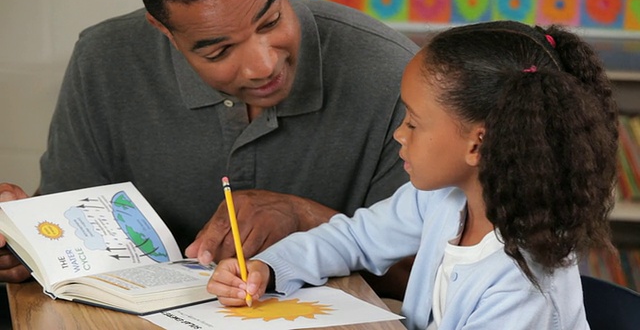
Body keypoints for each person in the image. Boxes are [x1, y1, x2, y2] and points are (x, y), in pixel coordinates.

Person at [0, 0, 419, 300]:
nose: (262, 66)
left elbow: (432, 274)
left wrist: (308, 218)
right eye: (217, 51)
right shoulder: (105, 61)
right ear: (163, 29)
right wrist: (22, 246)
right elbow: (64, 245)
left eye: (270, 21)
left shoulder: (392, 72)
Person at [207, 20, 619, 330]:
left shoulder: (522, 288)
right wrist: (270, 267)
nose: (398, 134)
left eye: (415, 123)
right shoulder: (443, 198)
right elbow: (353, 237)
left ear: (477, 144)